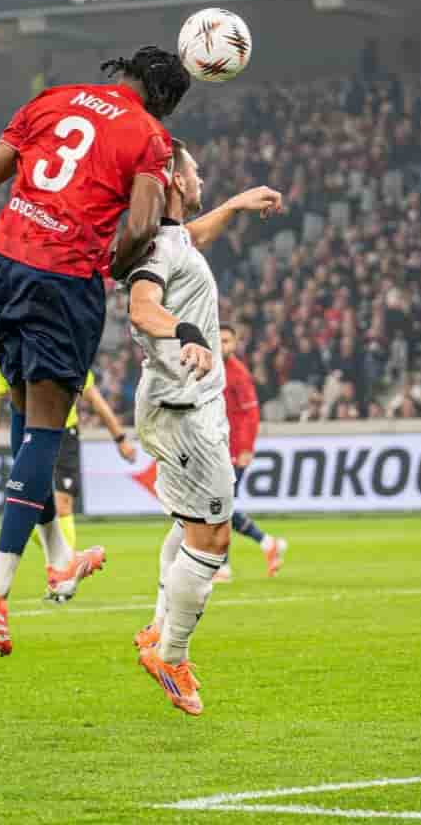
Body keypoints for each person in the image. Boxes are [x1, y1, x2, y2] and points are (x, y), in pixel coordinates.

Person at [0, 47, 190, 657]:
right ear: (163, 98)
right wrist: (104, 266)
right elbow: (137, 229)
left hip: (4, 261)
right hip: (62, 276)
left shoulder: (51, 101)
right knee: (49, 428)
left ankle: (59, 559)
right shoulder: (149, 137)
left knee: (28, 420)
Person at [126, 141, 282, 716]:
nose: (202, 179)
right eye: (194, 172)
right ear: (172, 180)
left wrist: (237, 205)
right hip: (182, 410)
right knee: (212, 540)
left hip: (196, 404)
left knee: (193, 524)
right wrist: (188, 332)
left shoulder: (172, 238)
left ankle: (160, 628)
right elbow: (143, 306)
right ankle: (171, 653)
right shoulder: (151, 251)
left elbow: (194, 237)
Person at [0, 361, 137, 556]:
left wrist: (120, 439)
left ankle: (65, 569)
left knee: (62, 504)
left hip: (63, 434)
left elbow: (96, 401)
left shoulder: (66, 353)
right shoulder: (10, 355)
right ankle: (61, 560)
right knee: (31, 505)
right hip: (29, 434)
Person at [213, 324, 286, 582]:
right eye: (219, 340)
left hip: (233, 452)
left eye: (227, 341)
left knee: (218, 508)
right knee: (220, 507)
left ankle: (223, 566)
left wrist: (246, 448)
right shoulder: (209, 367)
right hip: (215, 448)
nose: (223, 345)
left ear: (234, 344)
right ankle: (267, 544)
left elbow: (251, 414)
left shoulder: (239, 374)